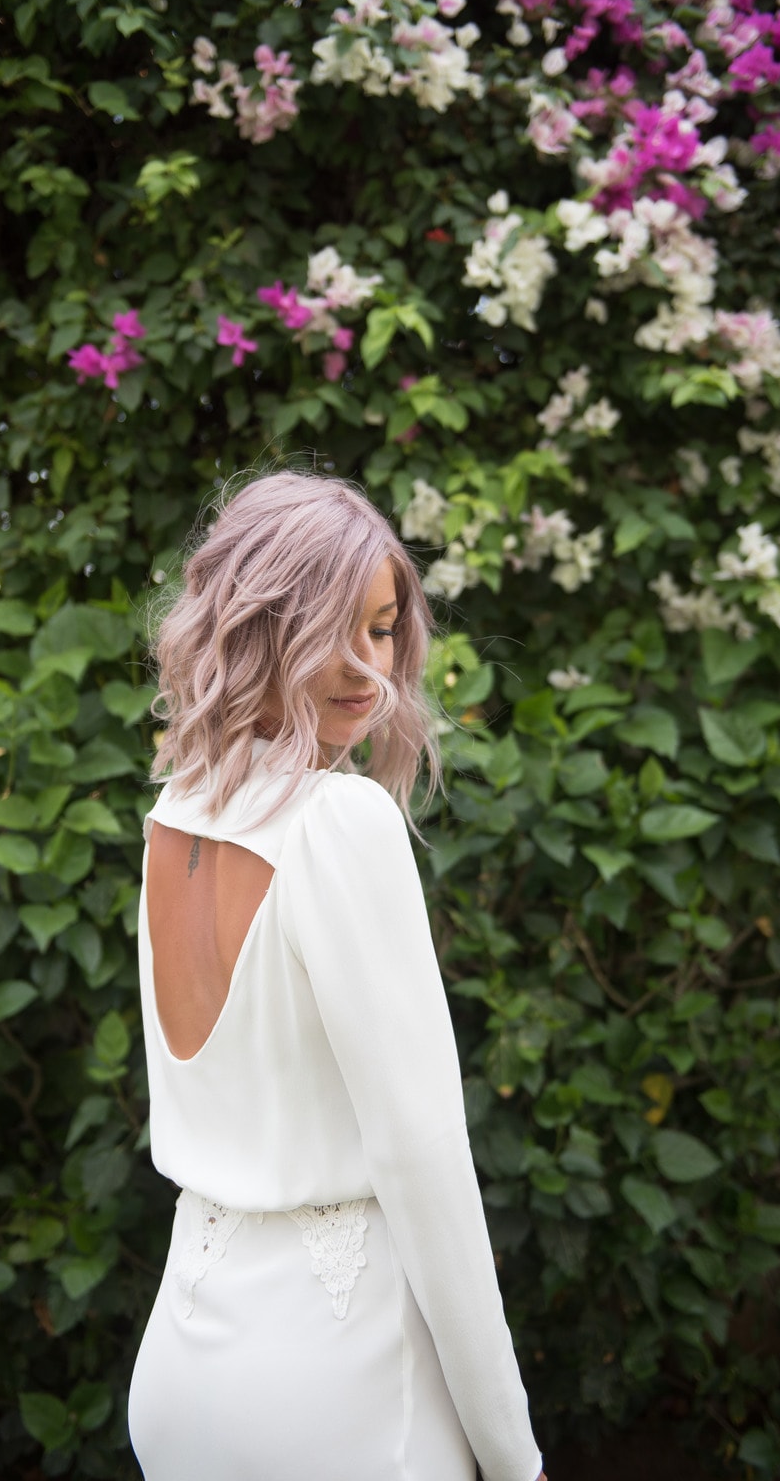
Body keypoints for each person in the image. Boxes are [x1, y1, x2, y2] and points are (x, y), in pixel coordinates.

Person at [125, 471, 545, 1481]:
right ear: (255, 633)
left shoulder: (175, 813)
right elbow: (424, 1165)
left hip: (183, 1375)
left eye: (384, 628)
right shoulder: (336, 820)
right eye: (328, 633)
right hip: (338, 1396)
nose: (369, 671)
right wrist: (514, 1455)